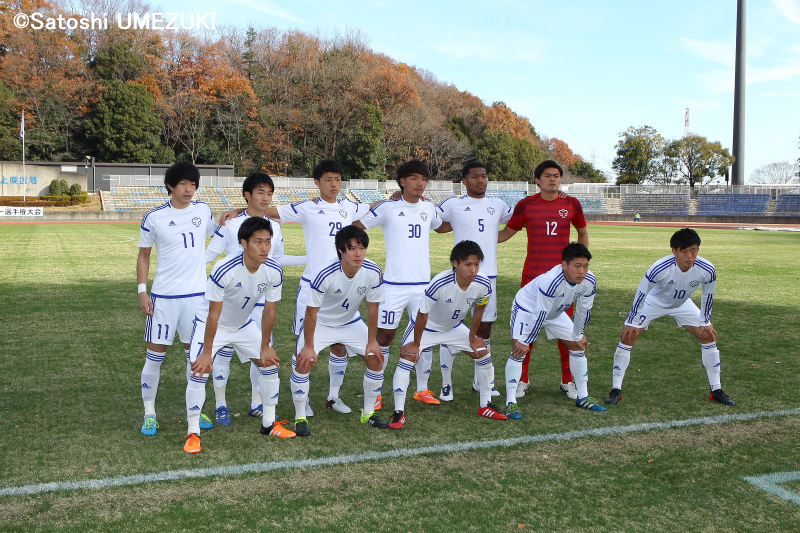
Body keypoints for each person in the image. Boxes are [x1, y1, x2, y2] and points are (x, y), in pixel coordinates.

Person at [218, 160, 380, 416]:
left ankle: (333, 397)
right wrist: (240, 209)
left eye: (337, 179)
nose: (334, 184)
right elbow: (267, 211)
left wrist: (396, 195)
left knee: (340, 345)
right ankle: (302, 401)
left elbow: (374, 207)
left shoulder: (350, 206)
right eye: (327, 179)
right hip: (312, 287)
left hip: (343, 286)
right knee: (305, 345)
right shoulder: (306, 208)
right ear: (317, 182)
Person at [184, 217, 294, 453]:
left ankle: (269, 424)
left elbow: (270, 310)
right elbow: (213, 315)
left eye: (268, 241)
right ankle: (193, 432)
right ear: (243, 243)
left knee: (269, 365)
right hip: (212, 324)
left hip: (242, 325)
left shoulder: (274, 270)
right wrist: (206, 353)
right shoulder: (224, 268)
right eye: (258, 242)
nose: (265, 247)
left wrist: (265, 345)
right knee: (198, 372)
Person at [204, 173, 305, 425]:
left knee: (260, 350)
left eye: (269, 193)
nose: (265, 198)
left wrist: (309, 259)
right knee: (224, 351)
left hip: (260, 297)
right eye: (260, 192)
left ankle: (256, 402)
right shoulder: (230, 224)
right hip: (232, 299)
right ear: (247, 195)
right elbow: (209, 255)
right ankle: (220, 404)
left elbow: (276, 260)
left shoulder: (275, 226)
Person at [604, 228, 735, 406]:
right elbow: (642, 293)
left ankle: (716, 390)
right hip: (654, 302)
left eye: (694, 250)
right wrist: (632, 321)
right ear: (674, 251)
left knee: (707, 335)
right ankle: (616, 389)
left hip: (682, 303)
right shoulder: (660, 267)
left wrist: (705, 322)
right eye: (684, 251)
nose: (689, 256)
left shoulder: (707, 269)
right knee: (628, 336)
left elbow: (708, 295)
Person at [355, 159, 447, 407]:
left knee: (423, 337)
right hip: (393, 286)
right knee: (384, 337)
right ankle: (376, 392)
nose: (420, 184)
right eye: (415, 178)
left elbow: (442, 227)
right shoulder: (388, 208)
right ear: (402, 181)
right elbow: (357, 227)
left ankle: (422, 389)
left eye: (424, 179)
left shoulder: (429, 208)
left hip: (422, 287)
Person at [389, 240, 507, 428]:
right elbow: (422, 314)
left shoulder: (483, 283)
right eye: (468, 264)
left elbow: (478, 310)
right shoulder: (440, 283)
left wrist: (472, 337)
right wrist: (416, 343)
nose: (473, 270)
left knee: (483, 354)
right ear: (455, 263)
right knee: (407, 358)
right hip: (426, 327)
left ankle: (485, 405)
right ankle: (398, 413)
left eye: (476, 264)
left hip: (453, 327)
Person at [137, 161, 217, 436]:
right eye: (183, 183)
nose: (189, 189)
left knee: (194, 358)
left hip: (196, 299)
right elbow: (144, 255)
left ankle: (195, 408)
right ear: (170, 185)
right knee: (154, 358)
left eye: (193, 184)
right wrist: (141, 291)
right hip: (163, 299)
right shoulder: (154, 217)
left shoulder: (203, 210)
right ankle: (149, 413)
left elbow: (219, 231)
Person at [498, 160, 588, 401]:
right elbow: (507, 233)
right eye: (547, 175)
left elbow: (582, 231)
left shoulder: (572, 204)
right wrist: (477, 238)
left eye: (556, 175)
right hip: (532, 280)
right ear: (537, 180)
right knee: (526, 333)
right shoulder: (526, 205)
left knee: (566, 334)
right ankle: (522, 381)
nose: (553, 179)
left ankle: (568, 381)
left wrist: (579, 263)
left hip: (563, 281)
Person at [290, 225, 387, 436]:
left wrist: (372, 341)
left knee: (376, 359)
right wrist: (308, 346)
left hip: (350, 322)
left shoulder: (373, 271)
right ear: (341, 250)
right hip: (321, 323)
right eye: (352, 248)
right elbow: (311, 313)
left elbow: (373, 308)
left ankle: (368, 413)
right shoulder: (325, 273)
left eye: (361, 248)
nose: (358, 253)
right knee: (303, 362)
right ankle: (300, 417)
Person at [436, 160, 512, 400]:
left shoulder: (497, 205)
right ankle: (446, 384)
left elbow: (517, 222)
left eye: (484, 176)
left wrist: (494, 238)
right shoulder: (453, 204)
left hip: (488, 276)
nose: (481, 180)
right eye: (475, 176)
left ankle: (482, 382)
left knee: (485, 328)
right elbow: (437, 224)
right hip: (458, 277)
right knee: (449, 326)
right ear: (464, 181)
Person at [503, 243, 604, 418]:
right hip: (527, 309)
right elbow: (540, 313)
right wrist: (525, 341)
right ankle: (510, 402)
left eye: (586, 266)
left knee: (577, 346)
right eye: (577, 266)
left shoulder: (589, 281)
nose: (582, 271)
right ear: (564, 265)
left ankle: (583, 397)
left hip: (555, 312)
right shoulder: (551, 280)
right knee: (518, 350)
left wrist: (578, 334)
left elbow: (583, 310)